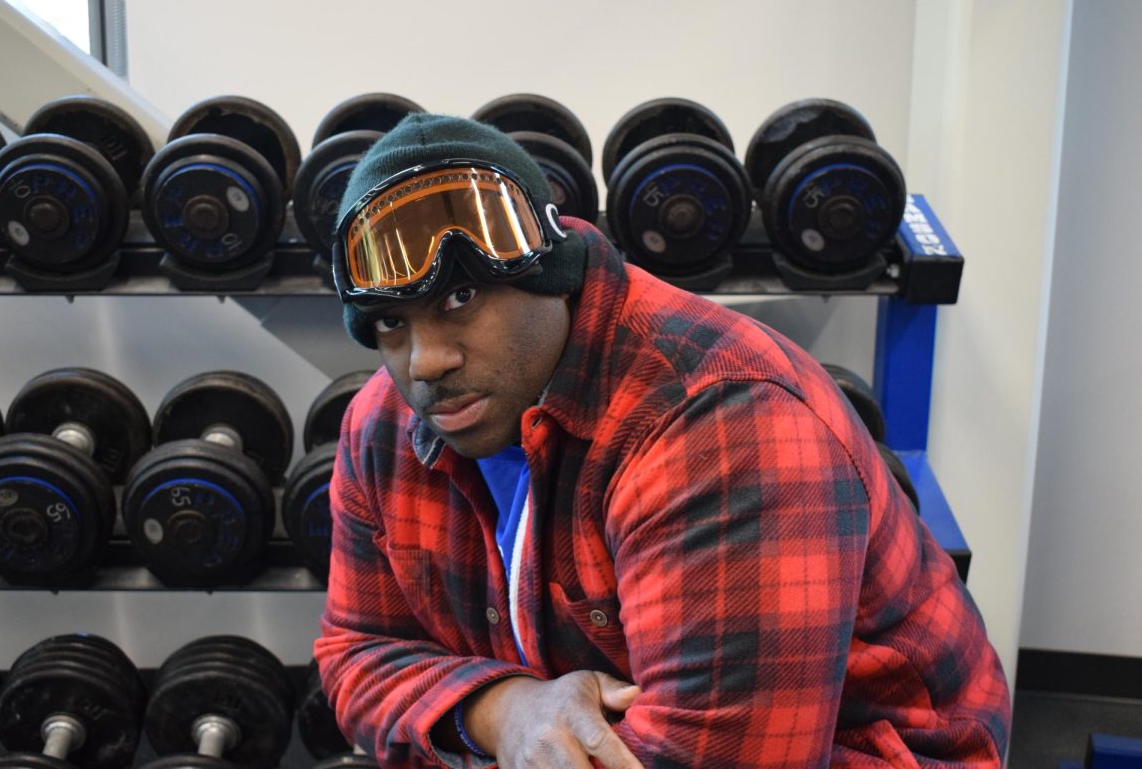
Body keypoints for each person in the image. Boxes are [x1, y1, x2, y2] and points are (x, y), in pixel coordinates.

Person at [313, 113, 1010, 768]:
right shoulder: (385, 427)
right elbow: (356, 652)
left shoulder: (724, 430)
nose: (425, 361)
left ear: (550, 276)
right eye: (389, 325)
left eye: (459, 300)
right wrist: (506, 710)